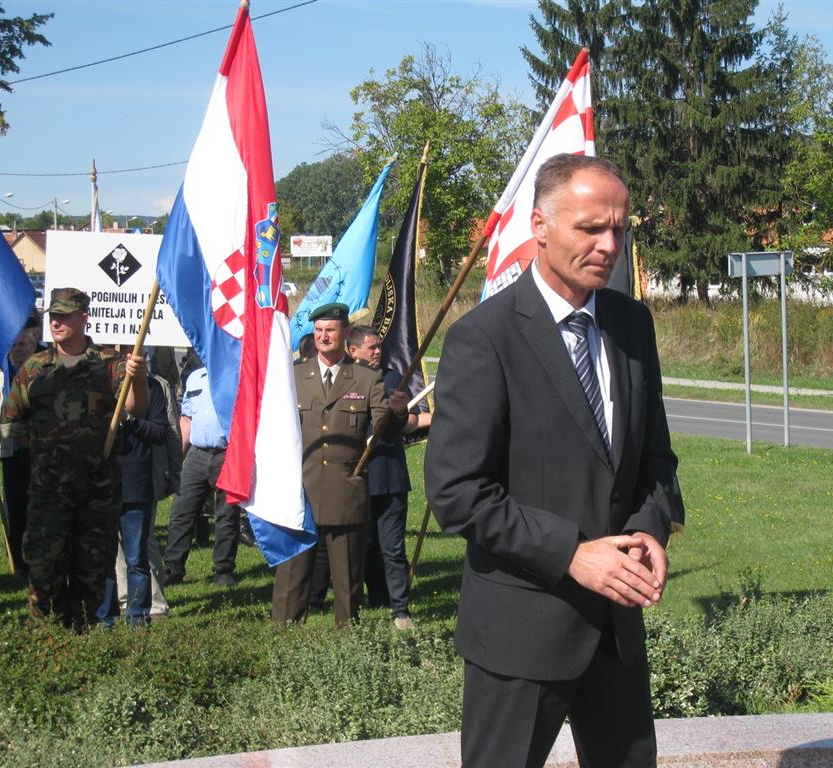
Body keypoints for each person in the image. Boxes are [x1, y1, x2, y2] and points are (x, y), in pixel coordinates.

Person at [424, 154, 685, 768]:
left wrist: (648, 529)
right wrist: (572, 554)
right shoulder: (484, 337)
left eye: (618, 229)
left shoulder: (632, 325)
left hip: (616, 632)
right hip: (520, 634)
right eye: (590, 228)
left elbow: (655, 458)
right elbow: (457, 491)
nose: (609, 245)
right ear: (539, 226)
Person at [0, 287, 148, 630]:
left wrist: (138, 379)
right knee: (44, 572)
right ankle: (49, 641)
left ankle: (81, 643)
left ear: (83, 318)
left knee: (91, 575)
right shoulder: (35, 367)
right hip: (48, 493)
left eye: (64, 316)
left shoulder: (110, 364)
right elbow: (10, 422)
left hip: (96, 493)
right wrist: (47, 448)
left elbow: (136, 409)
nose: (56, 323)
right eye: (53, 316)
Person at [271, 303, 407, 628]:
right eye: (318, 331)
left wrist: (398, 413)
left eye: (330, 330)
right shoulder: (294, 375)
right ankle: (284, 637)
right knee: (291, 576)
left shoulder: (366, 378)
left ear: (345, 333)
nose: (323, 337)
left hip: (345, 488)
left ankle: (348, 640)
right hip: (300, 490)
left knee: (347, 580)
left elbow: (384, 433)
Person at [347, 325, 431, 630]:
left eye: (379, 346)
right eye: (372, 347)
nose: (378, 351)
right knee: (362, 546)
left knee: (392, 548)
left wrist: (399, 417)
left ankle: (400, 610)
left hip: (390, 474)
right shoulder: (345, 380)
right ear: (353, 351)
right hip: (357, 475)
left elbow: (408, 420)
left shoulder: (395, 379)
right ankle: (368, 600)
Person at [97, 372, 171, 627]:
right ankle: (106, 618)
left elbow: (160, 432)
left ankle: (138, 617)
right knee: (104, 557)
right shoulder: (95, 383)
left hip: (136, 485)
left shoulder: (150, 386)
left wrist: (131, 420)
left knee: (137, 557)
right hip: (102, 484)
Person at [163, 365, 241, 587]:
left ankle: (223, 570)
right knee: (181, 511)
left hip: (228, 453)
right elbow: (187, 419)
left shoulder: (238, 375)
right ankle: (173, 568)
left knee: (227, 515)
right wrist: (177, 459)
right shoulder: (196, 377)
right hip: (197, 454)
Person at [0, 311, 43, 577]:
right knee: (17, 507)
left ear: (34, 344)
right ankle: (19, 560)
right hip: (13, 453)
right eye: (15, 345)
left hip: (41, 453)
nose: (19, 349)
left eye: (24, 344)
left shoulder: (45, 374)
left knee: (40, 506)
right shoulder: (2, 377)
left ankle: (41, 556)